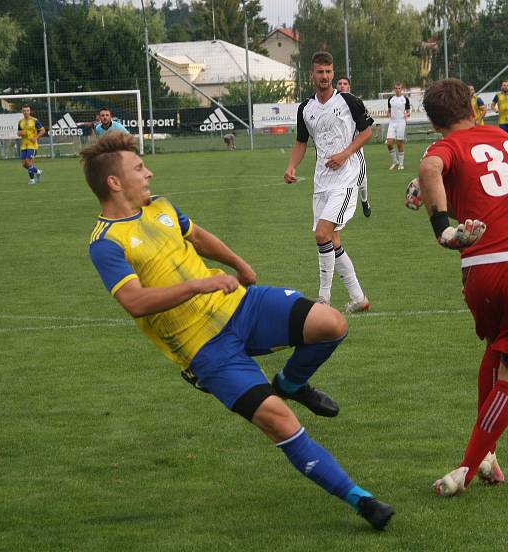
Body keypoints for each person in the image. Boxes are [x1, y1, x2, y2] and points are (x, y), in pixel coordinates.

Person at [82, 132, 393, 530]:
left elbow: (196, 236)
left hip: (239, 306)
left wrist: (239, 264)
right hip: (204, 350)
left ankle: (293, 383)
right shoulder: (105, 242)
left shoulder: (160, 207)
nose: (149, 172)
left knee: (331, 324)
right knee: (279, 421)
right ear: (114, 182)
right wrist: (200, 284)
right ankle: (362, 501)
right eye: (139, 168)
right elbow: (135, 302)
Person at [413, 78, 508, 497]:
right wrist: (443, 227)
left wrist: (440, 218)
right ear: (474, 108)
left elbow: (434, 170)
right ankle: (467, 466)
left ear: (433, 120)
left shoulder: (446, 147)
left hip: (479, 271)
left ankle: (489, 454)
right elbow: (449, 176)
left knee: (497, 346)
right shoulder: (500, 135)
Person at [284, 51, 372, 313]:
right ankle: (358, 298)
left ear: (333, 73)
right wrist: (291, 165)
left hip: (345, 181)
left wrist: (346, 153)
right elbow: (301, 142)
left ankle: (323, 300)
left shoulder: (348, 102)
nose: (324, 77)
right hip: (321, 182)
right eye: (319, 72)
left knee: (321, 234)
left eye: (328, 72)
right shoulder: (305, 109)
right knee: (331, 240)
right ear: (311, 74)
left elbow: (367, 131)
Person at [337, 76, 371, 217]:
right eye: (339, 83)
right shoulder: (331, 103)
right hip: (337, 148)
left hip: (355, 147)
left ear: (349, 87)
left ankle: (364, 200)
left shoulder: (356, 102)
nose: (342, 86)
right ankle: (339, 207)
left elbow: (366, 126)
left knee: (361, 178)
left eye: (345, 84)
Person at [17, 105, 45, 185]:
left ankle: (32, 180)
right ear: (22, 112)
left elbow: (42, 131)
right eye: (24, 111)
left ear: (30, 111)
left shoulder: (35, 120)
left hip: (32, 145)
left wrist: (36, 137)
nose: (26, 112)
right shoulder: (20, 122)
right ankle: (38, 171)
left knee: (28, 162)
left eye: (27, 110)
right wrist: (19, 133)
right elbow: (19, 132)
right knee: (24, 164)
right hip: (24, 145)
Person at [385, 82, 411, 170]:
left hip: (401, 122)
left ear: (401, 89)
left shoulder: (405, 99)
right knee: (389, 143)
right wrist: (388, 114)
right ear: (394, 89)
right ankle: (394, 161)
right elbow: (389, 110)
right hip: (392, 122)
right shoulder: (390, 99)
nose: (397, 90)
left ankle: (401, 164)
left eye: (399, 88)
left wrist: (406, 115)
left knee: (399, 143)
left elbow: (408, 111)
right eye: (396, 88)